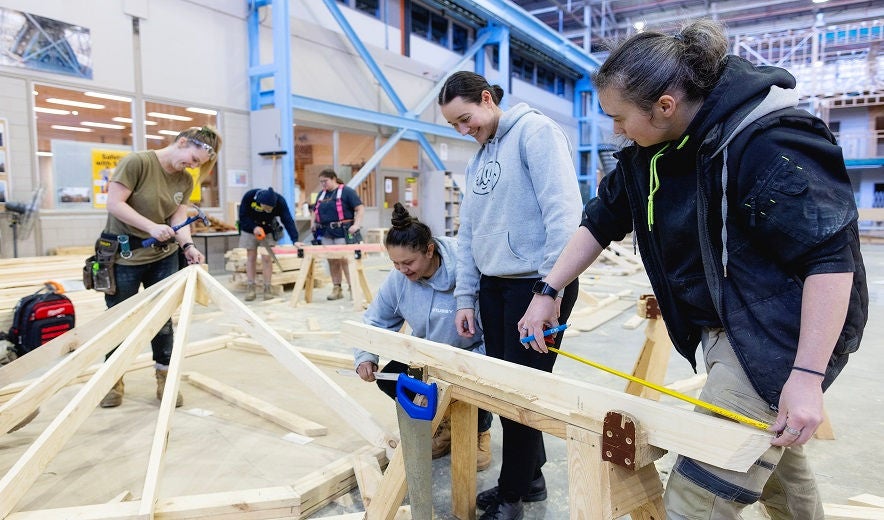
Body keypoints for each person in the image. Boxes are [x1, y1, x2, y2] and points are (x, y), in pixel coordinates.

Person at [519, 20, 868, 519]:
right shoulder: (651, 150)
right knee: (775, 463)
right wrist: (548, 288)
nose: (614, 129)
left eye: (619, 118)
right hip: (726, 326)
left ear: (665, 104)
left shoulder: (768, 142)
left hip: (779, 333)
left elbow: (830, 262)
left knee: (698, 495)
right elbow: (602, 219)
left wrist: (807, 376)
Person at [438, 71, 583, 520]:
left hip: (536, 286)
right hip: (494, 285)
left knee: (522, 396)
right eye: (454, 126)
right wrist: (466, 296)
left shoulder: (535, 132)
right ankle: (531, 477)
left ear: (487, 99)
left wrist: (550, 288)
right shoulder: (479, 159)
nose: (464, 131)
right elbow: (468, 235)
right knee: (504, 392)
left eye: (466, 118)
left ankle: (511, 494)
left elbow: (564, 213)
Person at [353, 202, 493, 470]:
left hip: (469, 358)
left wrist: (472, 365)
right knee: (390, 379)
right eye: (395, 263)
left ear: (430, 251)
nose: (402, 270)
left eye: (408, 262)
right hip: (428, 358)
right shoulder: (400, 278)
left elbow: (494, 335)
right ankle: (443, 424)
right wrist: (365, 356)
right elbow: (376, 320)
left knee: (475, 390)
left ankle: (479, 431)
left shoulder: (468, 272)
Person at [99, 125, 222, 409]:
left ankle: (164, 378)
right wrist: (151, 227)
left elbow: (178, 219)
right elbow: (114, 204)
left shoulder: (185, 181)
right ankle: (112, 381)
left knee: (162, 320)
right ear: (181, 142)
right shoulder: (138, 163)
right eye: (192, 159)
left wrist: (188, 247)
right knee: (120, 319)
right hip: (125, 254)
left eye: (198, 165)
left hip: (162, 256)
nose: (192, 167)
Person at [311, 169, 365, 300]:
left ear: (334, 178)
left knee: (345, 260)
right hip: (326, 233)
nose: (323, 184)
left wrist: (356, 225)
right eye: (321, 182)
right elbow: (314, 211)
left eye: (325, 181)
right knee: (332, 260)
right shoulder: (321, 195)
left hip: (342, 232)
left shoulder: (347, 192)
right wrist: (312, 223)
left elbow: (360, 208)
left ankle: (353, 288)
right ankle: (337, 288)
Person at [238, 187, 300, 301]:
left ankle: (267, 287)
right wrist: (254, 227)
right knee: (251, 256)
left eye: (270, 209)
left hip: (268, 229)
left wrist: (295, 239)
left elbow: (287, 219)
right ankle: (251, 287)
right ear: (260, 202)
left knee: (267, 258)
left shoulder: (280, 201)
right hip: (249, 229)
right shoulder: (250, 196)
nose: (268, 210)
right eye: (266, 208)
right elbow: (242, 216)